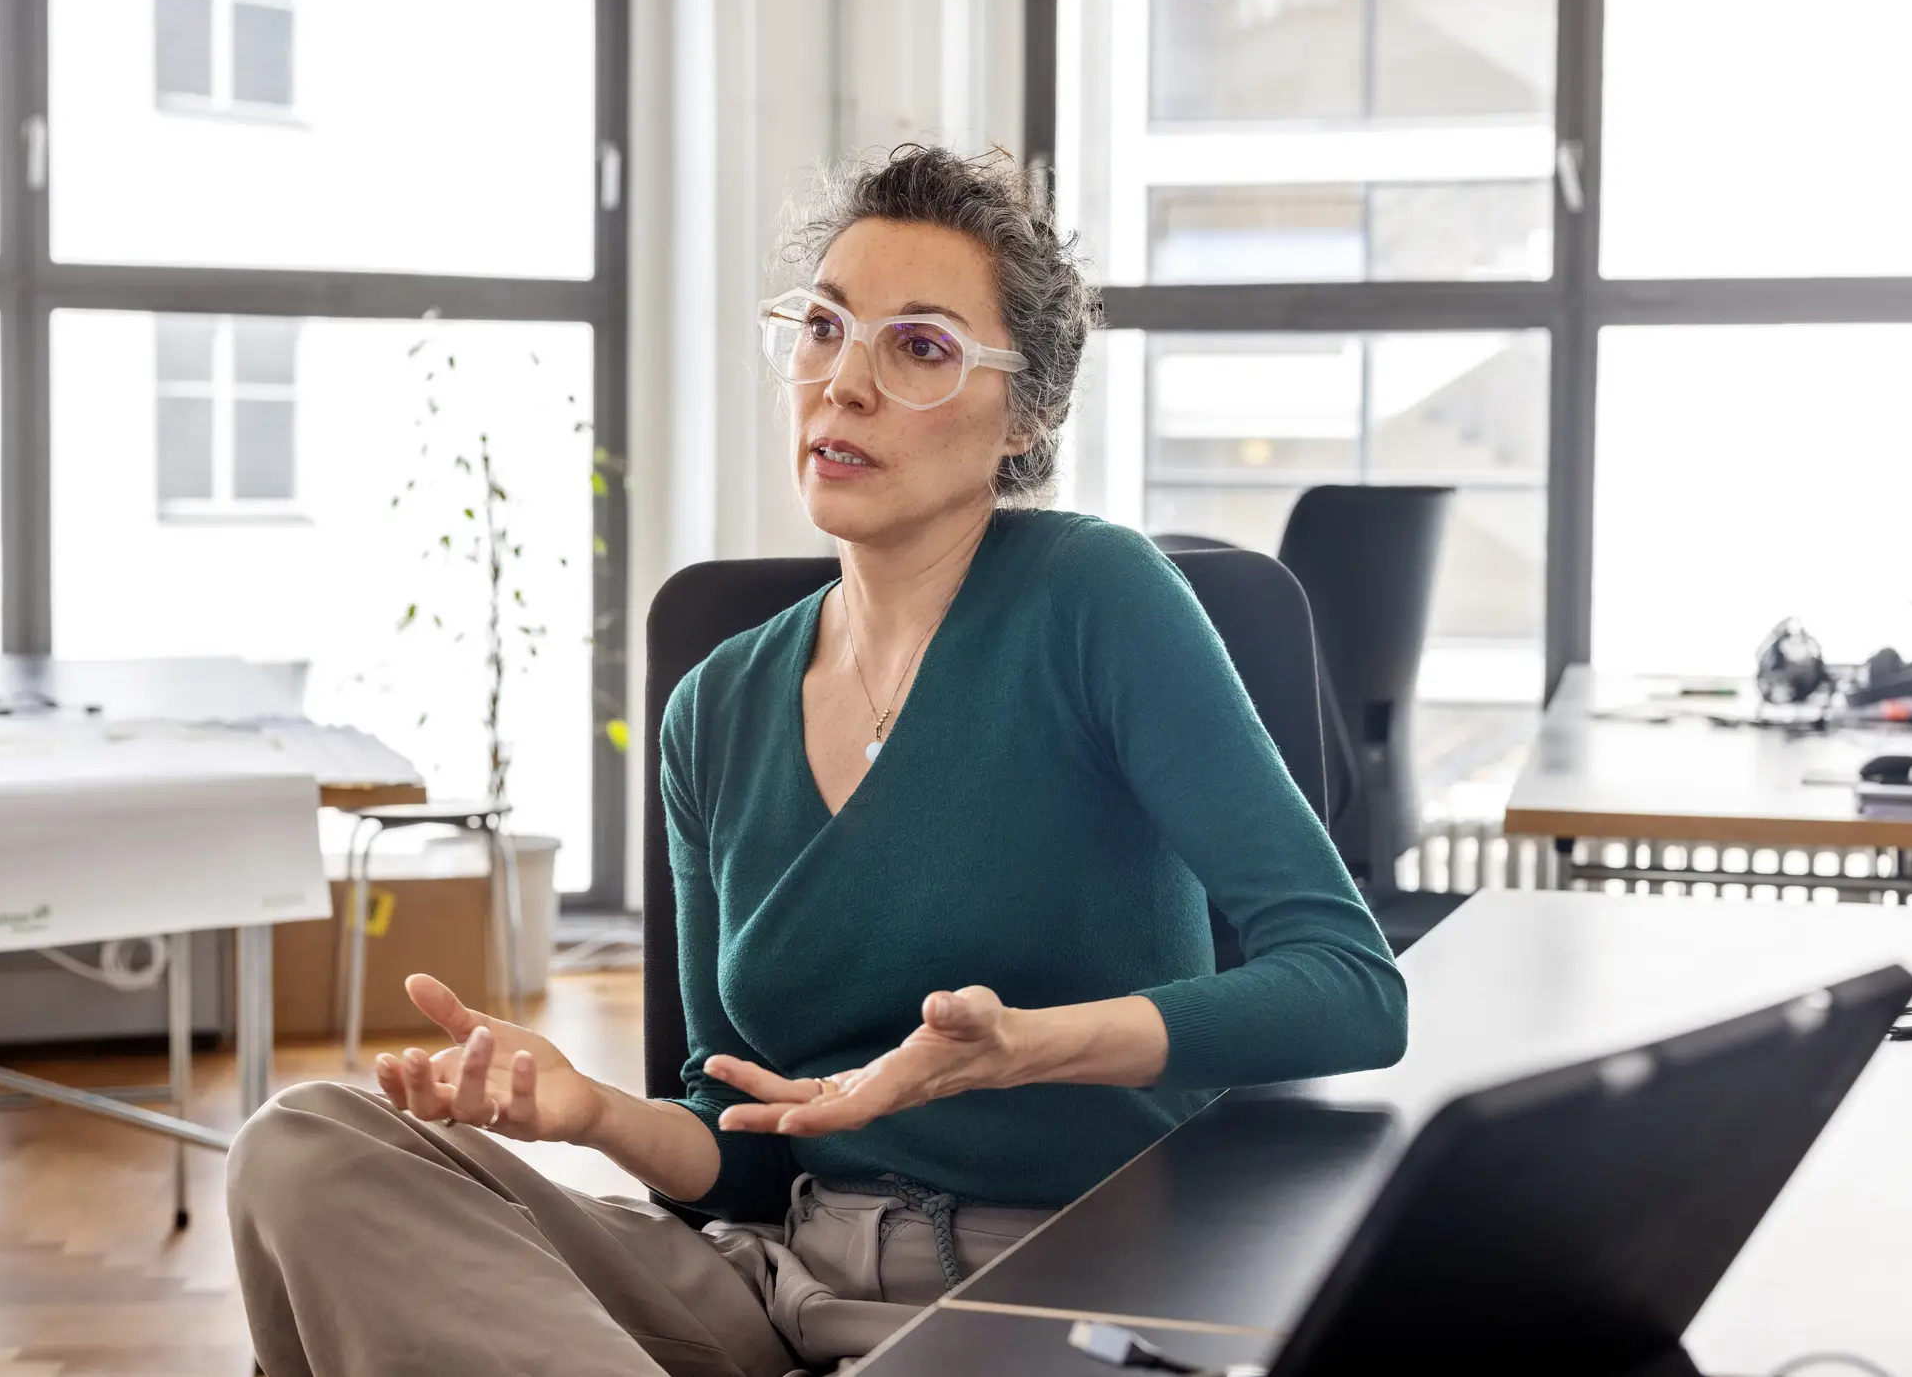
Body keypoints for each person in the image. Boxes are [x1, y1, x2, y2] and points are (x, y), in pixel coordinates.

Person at [226, 145, 1407, 1377]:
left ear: (1027, 414)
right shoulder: (715, 704)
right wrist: (591, 1114)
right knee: (304, 1145)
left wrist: (1026, 1045)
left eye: (919, 347)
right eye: (826, 328)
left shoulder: (1094, 601)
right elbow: (739, 1134)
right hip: (777, 1282)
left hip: (1044, 1288)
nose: (843, 383)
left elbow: (1347, 985)